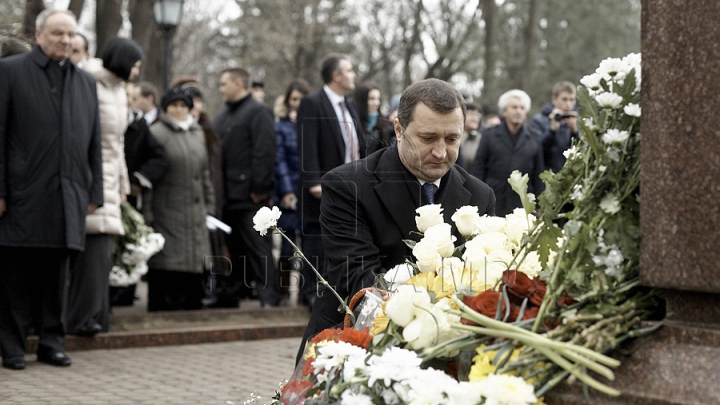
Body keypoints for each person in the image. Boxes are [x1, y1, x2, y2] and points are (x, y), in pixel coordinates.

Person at [297, 78, 496, 362]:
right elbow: (359, 281)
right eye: (428, 138)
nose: (441, 152)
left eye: (452, 139)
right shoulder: (347, 186)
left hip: (448, 350)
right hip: (353, 344)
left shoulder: (480, 196)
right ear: (399, 129)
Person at [0, 9, 103, 370]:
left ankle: (51, 343)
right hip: (22, 196)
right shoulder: (10, 72)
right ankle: (12, 349)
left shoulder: (86, 83)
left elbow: (94, 144)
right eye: (58, 33)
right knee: (15, 278)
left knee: (57, 279)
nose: (65, 40)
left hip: (69, 196)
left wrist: (96, 193)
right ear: (39, 34)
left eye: (71, 34)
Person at [67, 37, 143, 335]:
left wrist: (123, 182)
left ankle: (95, 315)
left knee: (101, 253)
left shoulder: (119, 90)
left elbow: (118, 142)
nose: (137, 72)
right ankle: (80, 318)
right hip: (91, 177)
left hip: (111, 178)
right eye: (135, 65)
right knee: (91, 252)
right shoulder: (90, 82)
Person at [296, 54, 367, 301]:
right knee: (317, 242)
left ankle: (338, 292)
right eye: (349, 70)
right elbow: (307, 144)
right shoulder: (312, 103)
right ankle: (310, 294)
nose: (353, 75)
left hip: (350, 185)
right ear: (336, 75)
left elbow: (356, 143)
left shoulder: (349, 105)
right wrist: (314, 182)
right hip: (323, 187)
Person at [213, 68, 281, 308]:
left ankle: (269, 297)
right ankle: (229, 294)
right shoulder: (222, 116)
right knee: (232, 248)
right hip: (228, 195)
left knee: (257, 248)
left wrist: (259, 189)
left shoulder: (258, 111)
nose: (220, 89)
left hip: (250, 195)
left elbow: (264, 151)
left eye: (224, 84)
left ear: (238, 83)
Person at [146, 87, 216, 311]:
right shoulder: (156, 132)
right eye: (174, 105)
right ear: (166, 107)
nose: (179, 110)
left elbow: (205, 173)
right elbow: (150, 176)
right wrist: (147, 214)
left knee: (194, 263)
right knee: (168, 263)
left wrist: (209, 205)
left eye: (184, 105)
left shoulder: (196, 132)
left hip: (195, 212)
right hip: (167, 211)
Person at [471, 89, 544, 217]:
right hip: (494, 200)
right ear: (504, 112)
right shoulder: (490, 135)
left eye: (522, 108)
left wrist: (539, 205)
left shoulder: (534, 138)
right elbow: (478, 168)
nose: (518, 111)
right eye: (514, 107)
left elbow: (538, 174)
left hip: (522, 204)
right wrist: (477, 200)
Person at [275, 80, 311, 304]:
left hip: (309, 192)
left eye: (301, 99)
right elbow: (279, 161)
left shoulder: (313, 125)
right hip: (288, 191)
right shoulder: (281, 126)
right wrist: (287, 190)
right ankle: (282, 292)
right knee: (287, 246)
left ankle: (306, 294)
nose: (297, 104)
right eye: (294, 99)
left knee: (309, 246)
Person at [530, 81, 579, 173]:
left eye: (572, 100)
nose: (568, 104)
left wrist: (575, 132)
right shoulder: (539, 120)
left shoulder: (578, 121)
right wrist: (551, 131)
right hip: (545, 174)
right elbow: (535, 150)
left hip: (570, 175)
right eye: (564, 99)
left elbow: (584, 150)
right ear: (554, 100)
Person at [354, 83, 394, 150]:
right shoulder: (353, 122)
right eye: (371, 99)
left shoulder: (385, 124)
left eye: (378, 99)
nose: (376, 103)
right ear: (362, 100)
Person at [458, 102, 482, 169]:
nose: (475, 119)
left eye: (478, 115)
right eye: (471, 114)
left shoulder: (481, 139)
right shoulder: (454, 138)